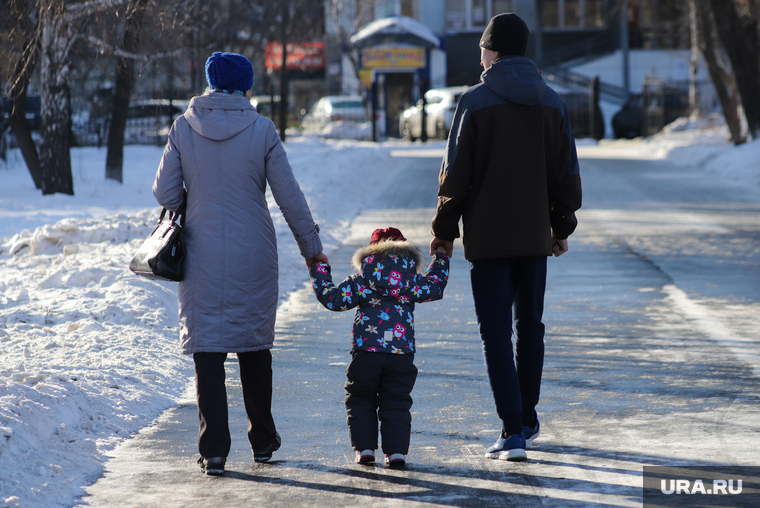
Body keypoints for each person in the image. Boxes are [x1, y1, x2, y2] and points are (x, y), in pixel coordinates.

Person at [153, 52, 327, 476]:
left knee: (207, 350)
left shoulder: (182, 127)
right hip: (254, 252)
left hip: (201, 252)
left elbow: (165, 193)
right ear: (246, 86)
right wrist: (312, 248)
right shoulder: (262, 129)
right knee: (253, 347)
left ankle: (213, 449)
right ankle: (263, 441)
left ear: (210, 84)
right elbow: (290, 197)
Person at [430, 13, 582, 461]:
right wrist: (560, 226)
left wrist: (444, 230)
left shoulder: (474, 103)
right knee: (529, 327)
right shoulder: (552, 102)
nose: (480, 56)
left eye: (482, 48)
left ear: (492, 51)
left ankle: (512, 430)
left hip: (490, 240)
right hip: (535, 237)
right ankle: (527, 419)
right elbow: (566, 174)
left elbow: (455, 175)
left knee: (495, 333)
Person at [308, 227, 449, 467]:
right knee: (396, 400)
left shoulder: (362, 279)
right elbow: (434, 286)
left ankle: (365, 449)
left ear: (369, 252)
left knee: (361, 398)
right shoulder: (410, 279)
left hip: (366, 353)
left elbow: (333, 299)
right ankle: (396, 453)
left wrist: (318, 268)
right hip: (400, 353)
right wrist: (441, 257)